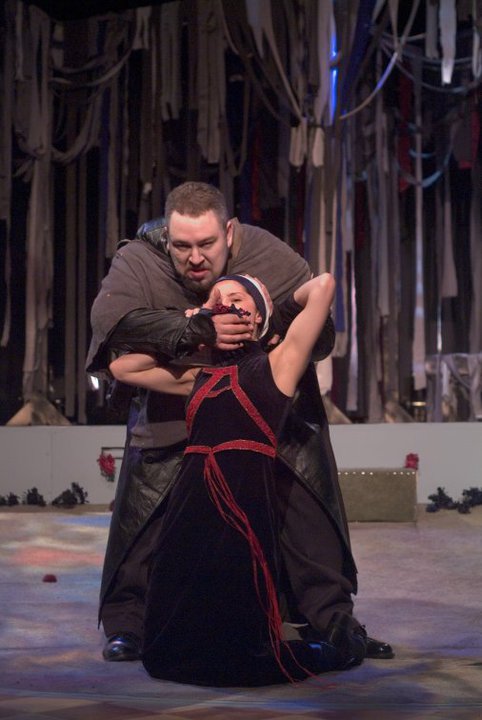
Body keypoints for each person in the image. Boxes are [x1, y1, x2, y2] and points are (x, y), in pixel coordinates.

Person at [85, 181, 393, 665]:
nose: (195, 259)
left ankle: (331, 616)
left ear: (229, 233)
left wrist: (273, 329)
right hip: (177, 411)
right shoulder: (140, 261)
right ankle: (129, 622)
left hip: (261, 417)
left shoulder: (269, 256)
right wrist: (194, 328)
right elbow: (111, 330)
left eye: (207, 244)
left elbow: (321, 328)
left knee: (303, 498)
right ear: (167, 238)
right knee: (150, 512)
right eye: (182, 246)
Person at [109, 272, 362, 685]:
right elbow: (123, 367)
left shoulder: (278, 366)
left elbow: (324, 285)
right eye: (216, 300)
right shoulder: (197, 376)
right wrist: (192, 326)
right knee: (166, 643)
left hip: (240, 502)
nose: (224, 304)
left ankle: (325, 648)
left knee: (235, 630)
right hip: (189, 504)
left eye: (238, 299)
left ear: (258, 315)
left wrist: (274, 317)